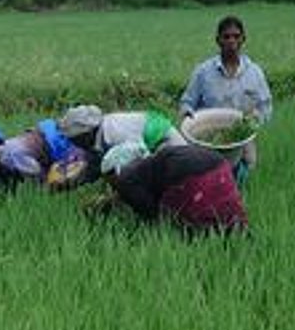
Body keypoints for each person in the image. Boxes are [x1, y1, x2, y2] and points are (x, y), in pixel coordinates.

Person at [179, 15, 272, 178]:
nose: (231, 41)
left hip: (241, 137)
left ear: (243, 39)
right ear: (218, 40)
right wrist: (187, 114)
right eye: (226, 37)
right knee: (207, 179)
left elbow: (266, 106)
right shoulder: (203, 72)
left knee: (248, 170)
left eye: (236, 36)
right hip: (208, 140)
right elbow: (187, 102)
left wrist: (255, 118)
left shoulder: (254, 72)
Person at [97, 141, 248, 235]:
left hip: (190, 176)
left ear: (115, 172)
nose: (110, 185)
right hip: (220, 166)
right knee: (229, 215)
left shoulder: (125, 180)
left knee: (175, 227)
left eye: (108, 180)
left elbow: (151, 213)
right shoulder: (149, 165)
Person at [0, 119, 91, 194]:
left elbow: (36, 171)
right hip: (44, 134)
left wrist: (44, 191)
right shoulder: (1, 154)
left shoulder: (11, 156)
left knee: (71, 176)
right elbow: (9, 184)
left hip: (54, 143)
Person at [60, 104, 187, 175]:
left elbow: (141, 156)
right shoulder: (99, 138)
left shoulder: (114, 132)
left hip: (165, 141)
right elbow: (95, 166)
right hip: (150, 146)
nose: (73, 143)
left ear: (86, 133)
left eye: (74, 139)